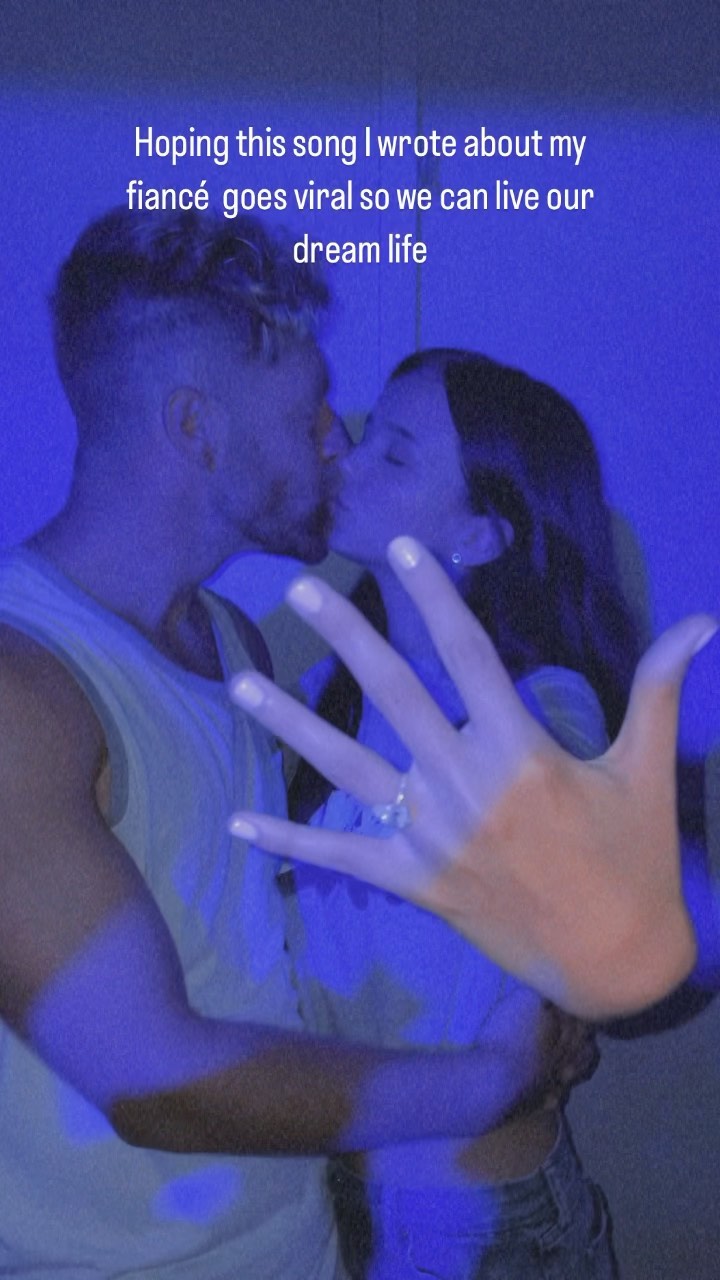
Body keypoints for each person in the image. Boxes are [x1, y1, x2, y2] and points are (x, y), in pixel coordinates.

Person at [0, 207, 582, 1278]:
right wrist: (494, 1078)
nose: (336, 439)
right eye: (309, 406)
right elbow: (155, 1080)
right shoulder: (22, 691)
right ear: (197, 426)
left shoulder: (229, 641)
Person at [295, 349, 629, 1277]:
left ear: (481, 535)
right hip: (335, 1211)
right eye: (366, 435)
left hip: (485, 1227)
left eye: (395, 454)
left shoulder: (544, 706)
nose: (347, 460)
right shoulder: (324, 692)